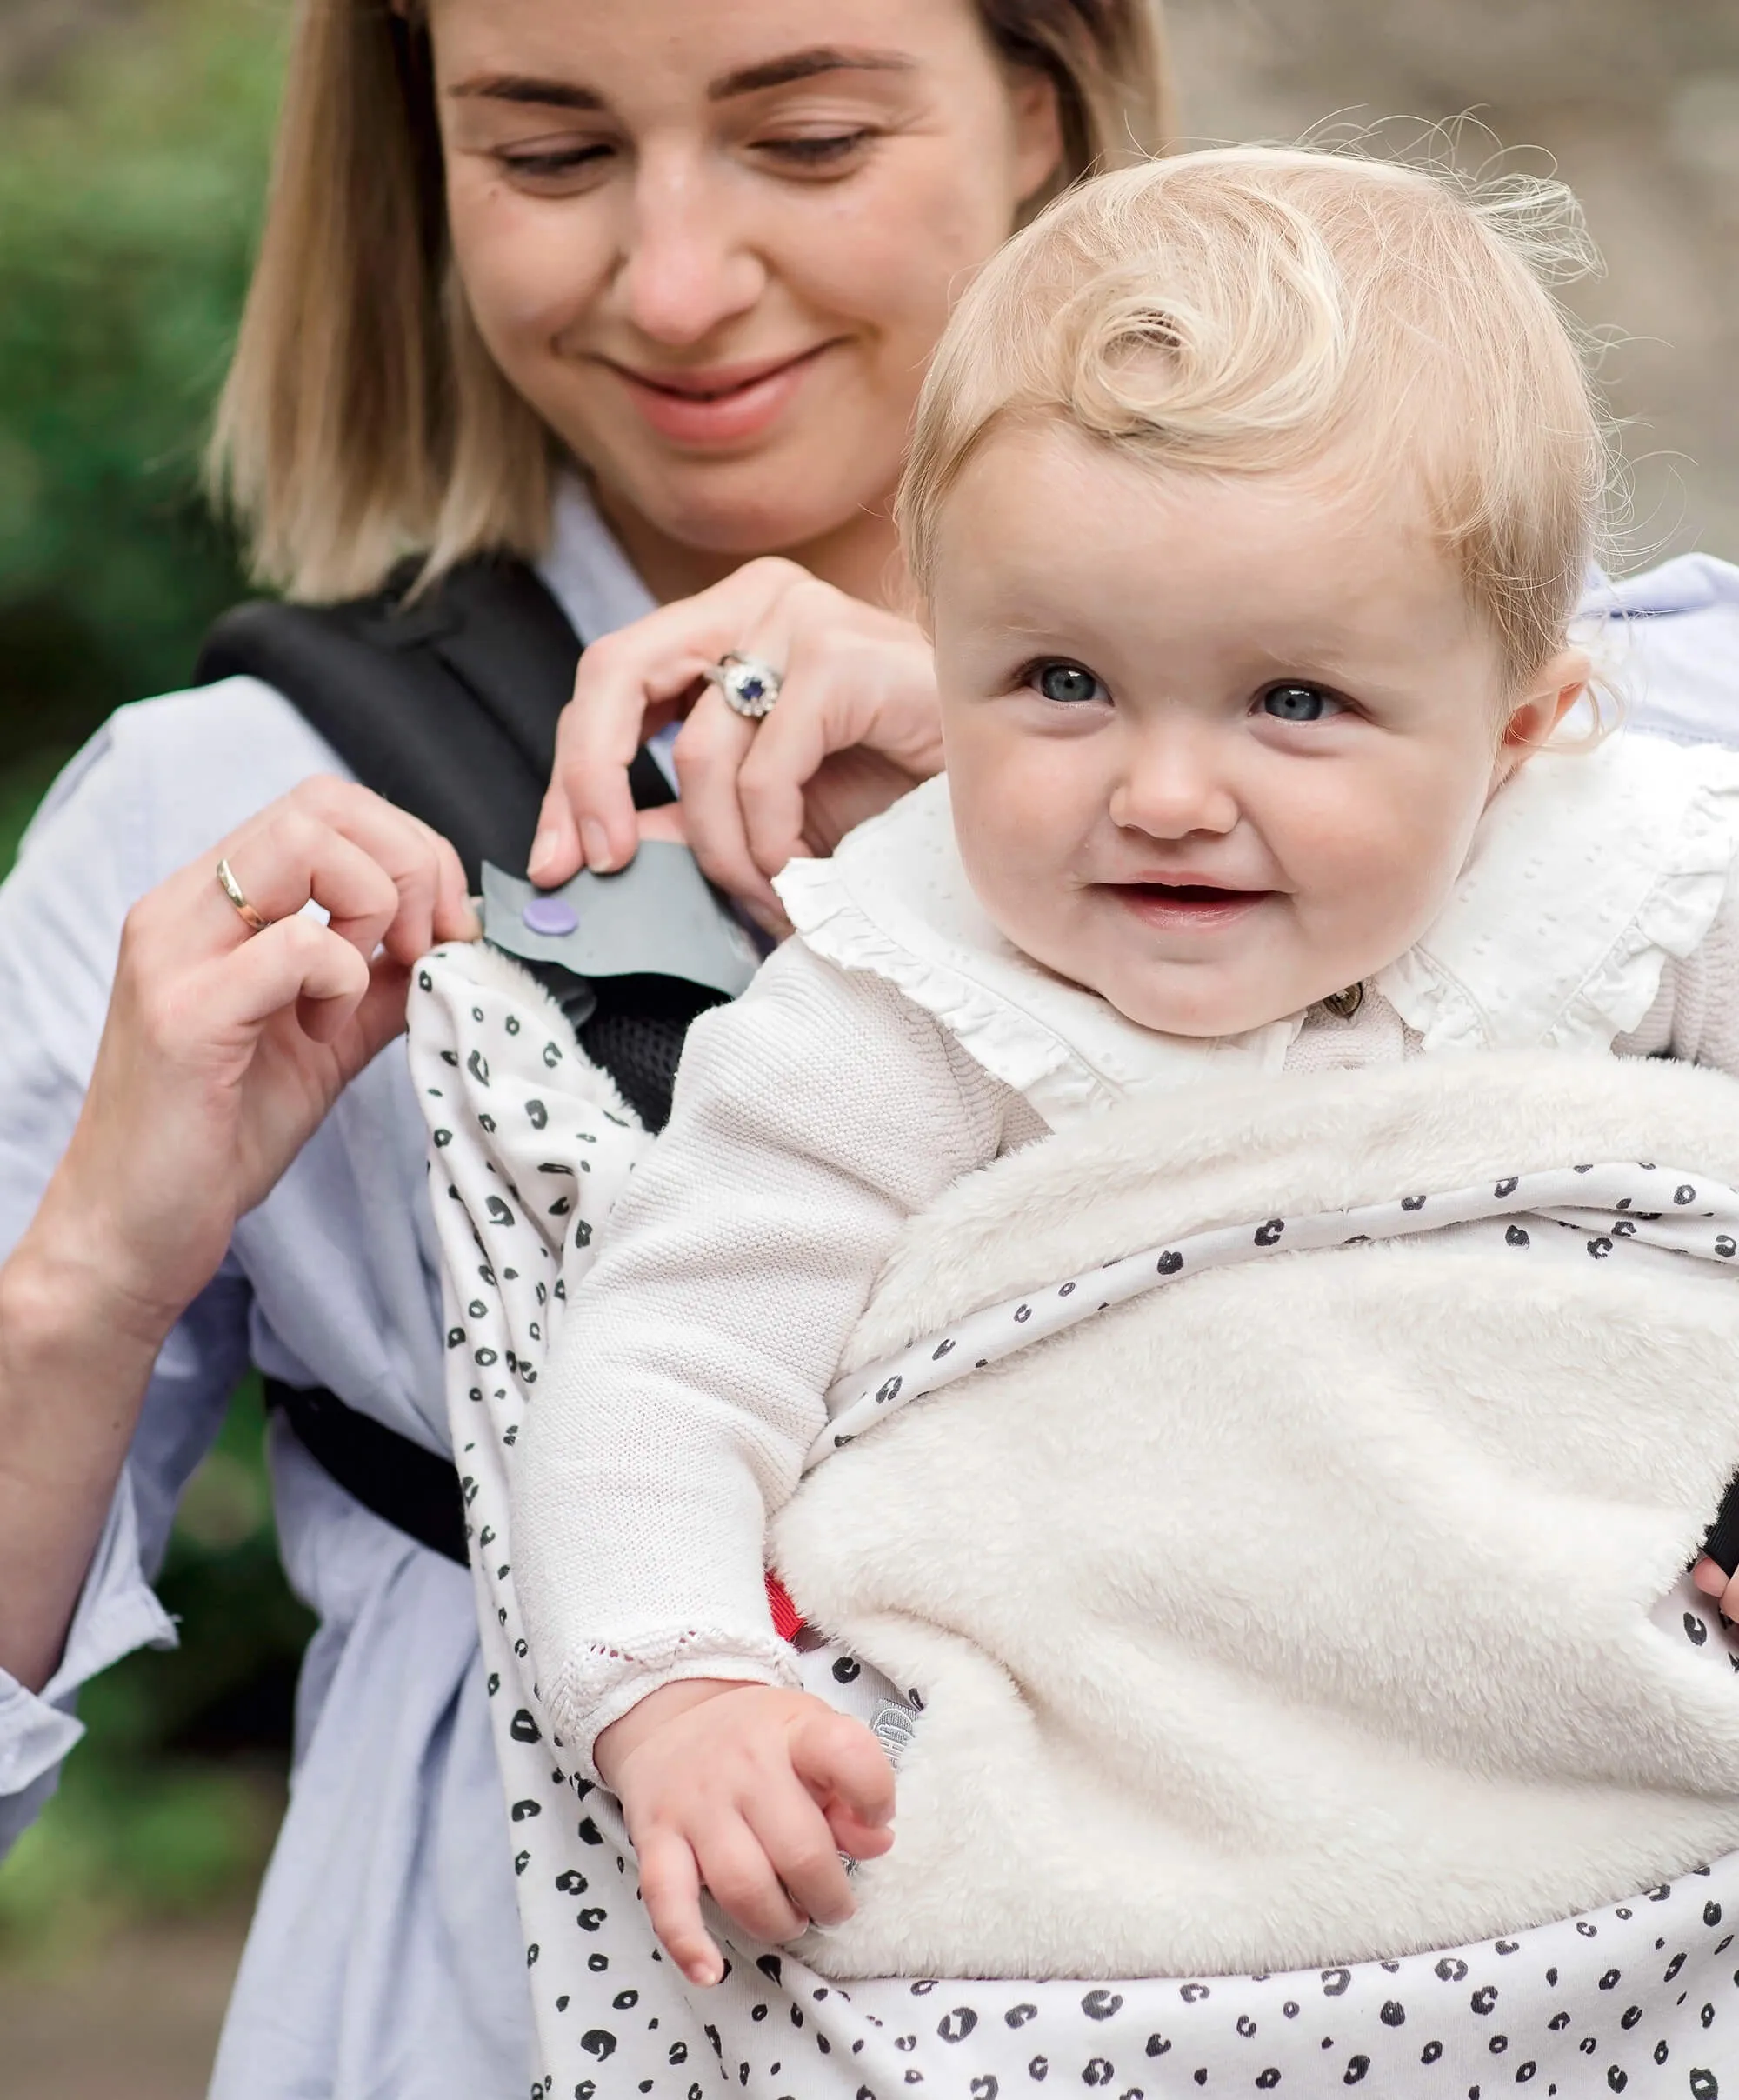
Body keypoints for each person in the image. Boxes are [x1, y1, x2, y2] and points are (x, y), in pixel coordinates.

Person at [0, 4, 1171, 2096]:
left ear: (1043, 104)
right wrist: (90, 1274)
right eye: (548, 159)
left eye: (803, 140)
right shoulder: (221, 824)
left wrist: (1030, 770)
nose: (676, 283)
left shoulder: (1453, 737)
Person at [510, 143, 1739, 1995]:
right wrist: (675, 1676)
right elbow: (673, 1347)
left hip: (1621, 1817)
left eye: (1294, 702)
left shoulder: (1631, 880)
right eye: (1062, 682)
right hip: (1128, 1867)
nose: (1165, 794)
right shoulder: (915, 984)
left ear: (1516, 730)